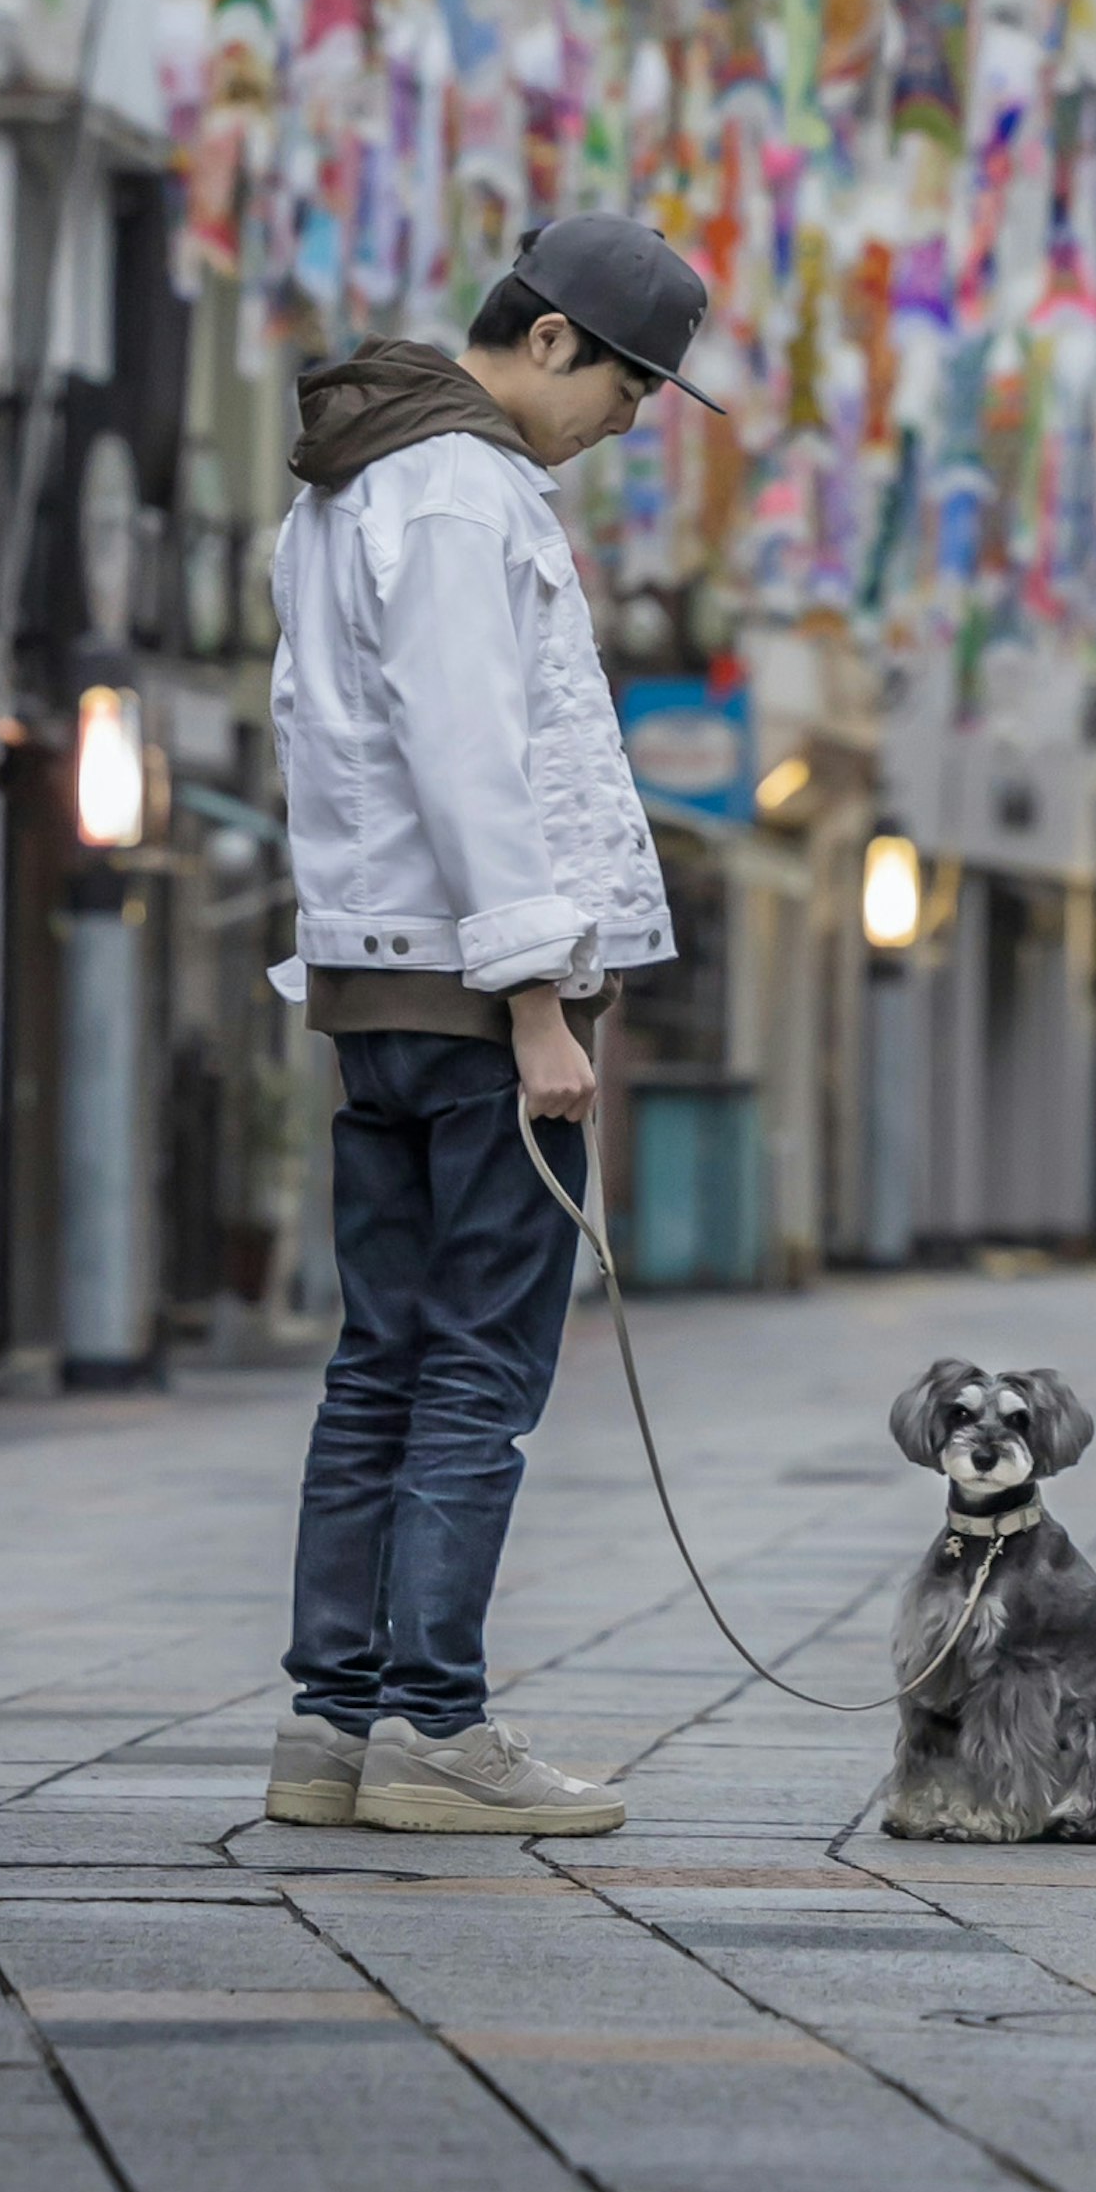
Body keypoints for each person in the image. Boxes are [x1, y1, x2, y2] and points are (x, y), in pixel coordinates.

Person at [263, 207, 713, 1838]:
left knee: (382, 1357)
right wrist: (540, 1004)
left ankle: (335, 1728)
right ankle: (435, 1727)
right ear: (548, 340)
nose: (630, 418)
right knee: (476, 1368)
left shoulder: (351, 479)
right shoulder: (457, 490)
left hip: (378, 975)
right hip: (468, 993)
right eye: (631, 381)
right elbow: (468, 753)